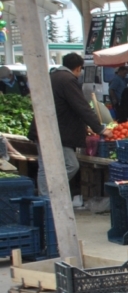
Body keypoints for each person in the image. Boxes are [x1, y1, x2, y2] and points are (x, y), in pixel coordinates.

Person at [30, 52, 108, 198]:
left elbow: (65, 108)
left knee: (44, 167)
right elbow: (81, 106)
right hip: (57, 132)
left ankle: (44, 199)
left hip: (43, 128)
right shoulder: (67, 80)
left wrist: (85, 127)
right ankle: (51, 194)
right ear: (78, 68)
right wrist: (100, 128)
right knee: (71, 164)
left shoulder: (52, 76)